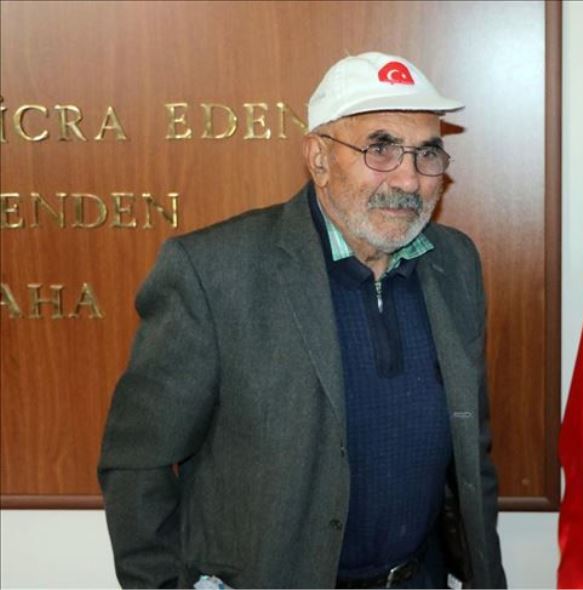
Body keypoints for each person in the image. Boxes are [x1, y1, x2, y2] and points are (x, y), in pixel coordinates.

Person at [98, 51, 506, 589]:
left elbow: (470, 448)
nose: (409, 180)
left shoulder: (454, 261)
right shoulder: (213, 271)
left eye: (427, 153)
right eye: (381, 148)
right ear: (318, 157)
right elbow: (137, 462)